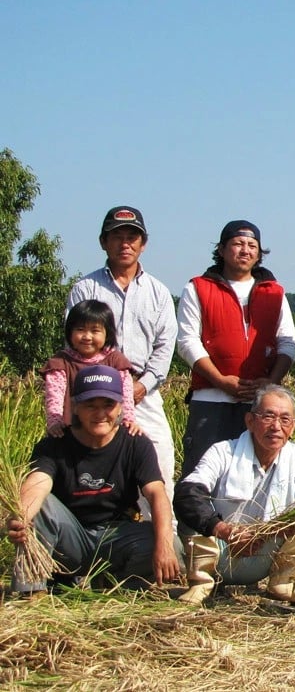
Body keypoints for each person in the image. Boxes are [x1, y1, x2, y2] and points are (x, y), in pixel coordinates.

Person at [6, 365, 179, 593]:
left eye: (108, 405)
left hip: (114, 535)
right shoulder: (54, 444)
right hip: (69, 539)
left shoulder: (136, 443)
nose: (100, 414)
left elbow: (157, 493)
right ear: (76, 406)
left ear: (120, 408)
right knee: (41, 506)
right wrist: (21, 517)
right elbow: (38, 483)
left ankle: (118, 587)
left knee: (162, 538)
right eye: (90, 405)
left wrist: (164, 544)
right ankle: (31, 591)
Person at [68, 206, 179, 510]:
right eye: (117, 237)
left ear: (143, 243)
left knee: (159, 464)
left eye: (133, 237)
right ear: (104, 241)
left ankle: (163, 541)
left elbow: (165, 345)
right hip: (94, 393)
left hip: (145, 394)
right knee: (85, 469)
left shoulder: (158, 292)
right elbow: (77, 341)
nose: (125, 244)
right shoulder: (85, 289)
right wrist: (104, 384)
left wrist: (143, 385)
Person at [173, 385, 295, 605]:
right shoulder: (222, 451)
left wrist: (278, 529)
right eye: (268, 417)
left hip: (269, 549)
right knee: (200, 525)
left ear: (294, 425)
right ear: (250, 421)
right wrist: (224, 530)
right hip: (223, 549)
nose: (275, 427)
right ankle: (202, 583)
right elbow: (188, 492)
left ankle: (282, 581)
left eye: (284, 419)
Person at [176, 219, 295, 478]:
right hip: (211, 400)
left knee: (254, 473)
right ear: (221, 249)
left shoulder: (274, 292)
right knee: (202, 473)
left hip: (258, 403)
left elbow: (288, 342)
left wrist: (271, 383)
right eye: (237, 244)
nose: (245, 250)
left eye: (252, 245)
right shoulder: (198, 287)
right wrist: (220, 380)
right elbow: (187, 342)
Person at [42, 300, 137, 437]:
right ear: (70, 332)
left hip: (109, 433)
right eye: (80, 330)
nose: (87, 336)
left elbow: (127, 395)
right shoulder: (61, 361)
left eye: (95, 330)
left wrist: (128, 420)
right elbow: (54, 396)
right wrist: (55, 422)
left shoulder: (116, 360)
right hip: (70, 432)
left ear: (107, 334)